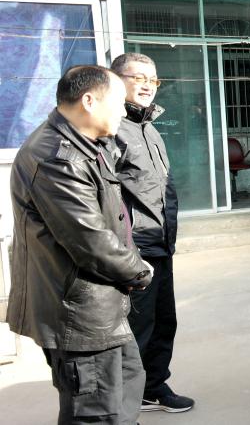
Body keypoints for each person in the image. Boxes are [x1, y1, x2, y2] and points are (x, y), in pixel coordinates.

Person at [6, 65, 154, 424]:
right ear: (89, 101)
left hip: (99, 306)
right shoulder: (57, 158)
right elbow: (90, 241)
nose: (123, 112)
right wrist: (139, 271)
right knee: (94, 412)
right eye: (118, 103)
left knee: (127, 385)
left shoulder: (85, 144)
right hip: (79, 312)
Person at [109, 53, 193, 413]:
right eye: (138, 77)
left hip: (161, 245)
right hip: (136, 251)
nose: (148, 86)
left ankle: (153, 387)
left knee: (163, 322)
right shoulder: (111, 130)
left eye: (153, 79)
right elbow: (107, 199)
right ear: (116, 81)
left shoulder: (150, 129)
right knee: (135, 331)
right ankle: (123, 405)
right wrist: (126, 252)